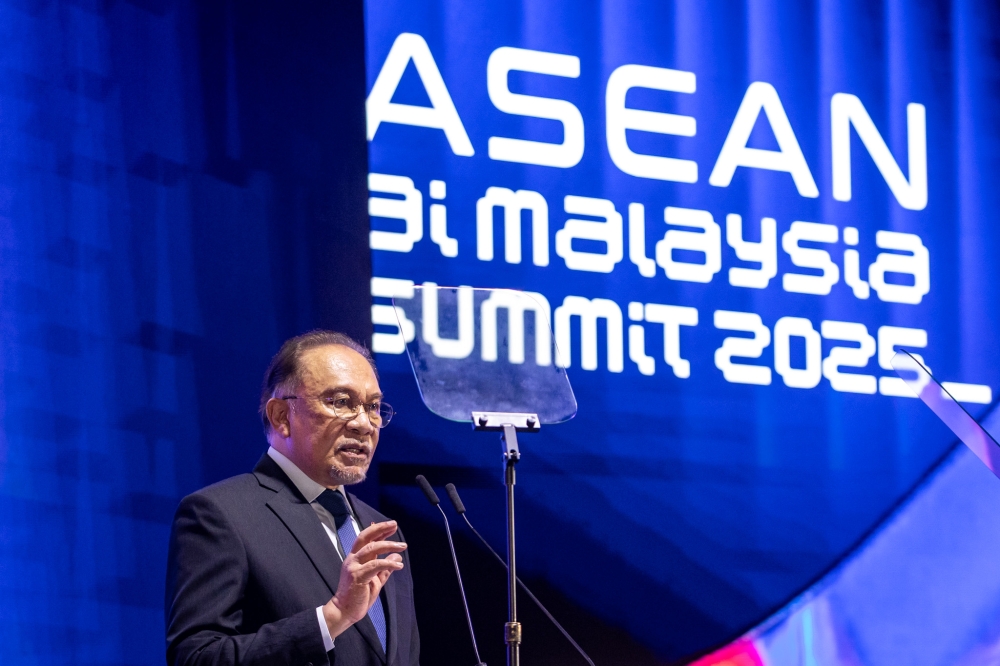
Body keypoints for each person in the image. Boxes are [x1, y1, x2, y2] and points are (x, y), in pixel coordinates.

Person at [165, 330, 419, 666]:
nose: (364, 423)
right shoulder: (221, 515)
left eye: (372, 406)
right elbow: (196, 658)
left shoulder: (380, 532)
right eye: (341, 402)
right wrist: (332, 617)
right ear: (282, 416)